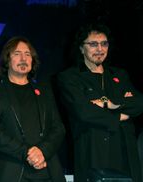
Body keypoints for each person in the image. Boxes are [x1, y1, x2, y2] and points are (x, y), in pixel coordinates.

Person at [57, 23, 143, 182]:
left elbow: (139, 103)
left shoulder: (119, 75)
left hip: (125, 153)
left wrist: (108, 103)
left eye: (104, 43)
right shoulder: (70, 77)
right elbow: (83, 112)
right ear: (81, 48)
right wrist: (119, 115)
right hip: (93, 153)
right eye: (93, 44)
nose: (100, 49)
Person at [0, 36, 66, 182]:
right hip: (13, 171)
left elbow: (58, 128)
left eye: (27, 54)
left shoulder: (44, 91)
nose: (23, 58)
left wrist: (43, 151)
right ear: (7, 59)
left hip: (47, 170)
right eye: (17, 54)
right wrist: (27, 153)